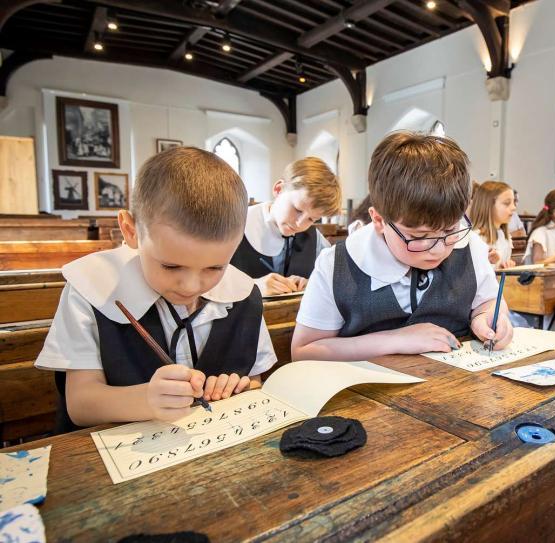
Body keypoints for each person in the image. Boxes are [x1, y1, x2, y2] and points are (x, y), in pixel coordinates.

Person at [36, 147, 276, 429]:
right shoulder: (92, 286)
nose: (191, 286)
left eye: (215, 268)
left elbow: (254, 380)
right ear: (131, 231)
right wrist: (146, 400)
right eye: (171, 266)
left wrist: (237, 388)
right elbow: (80, 405)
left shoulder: (244, 294)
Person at [291, 132, 513, 361]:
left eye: (450, 230)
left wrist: (486, 318)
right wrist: (395, 339)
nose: (438, 249)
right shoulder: (337, 265)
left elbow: (487, 302)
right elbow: (303, 351)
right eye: (419, 236)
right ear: (379, 220)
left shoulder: (471, 246)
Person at [230, 157, 342, 295]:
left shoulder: (315, 240)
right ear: (278, 189)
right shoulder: (233, 224)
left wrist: (312, 283)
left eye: (311, 219)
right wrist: (253, 286)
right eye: (298, 209)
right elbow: (206, 285)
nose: (300, 224)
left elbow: (331, 279)